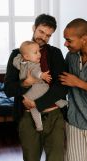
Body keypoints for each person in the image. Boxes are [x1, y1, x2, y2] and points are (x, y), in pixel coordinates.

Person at [4, 13, 67, 161]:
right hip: (27, 118)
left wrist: (37, 104)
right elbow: (8, 90)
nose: (43, 37)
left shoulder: (55, 54)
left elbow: (62, 87)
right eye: (41, 32)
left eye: (48, 35)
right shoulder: (17, 56)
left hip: (54, 117)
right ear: (34, 28)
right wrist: (27, 82)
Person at [13, 40, 68, 131]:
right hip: (37, 87)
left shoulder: (21, 63)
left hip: (28, 94)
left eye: (39, 51)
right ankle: (60, 102)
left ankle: (39, 126)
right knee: (48, 89)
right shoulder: (32, 64)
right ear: (26, 56)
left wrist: (21, 57)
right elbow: (35, 72)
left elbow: (15, 62)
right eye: (36, 52)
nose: (39, 54)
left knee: (34, 110)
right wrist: (42, 75)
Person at [59, 18, 87, 161]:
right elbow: (60, 81)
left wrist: (78, 83)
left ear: (84, 39)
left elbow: (74, 82)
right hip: (75, 120)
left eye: (69, 40)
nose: (65, 44)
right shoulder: (70, 56)